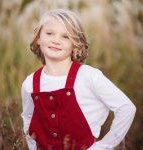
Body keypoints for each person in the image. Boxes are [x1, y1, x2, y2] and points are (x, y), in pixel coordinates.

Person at [21, 9, 136, 150]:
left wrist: (105, 146)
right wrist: (33, 146)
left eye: (65, 36)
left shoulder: (89, 76)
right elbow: (28, 117)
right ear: (38, 38)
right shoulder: (30, 83)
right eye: (49, 33)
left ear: (75, 44)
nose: (56, 40)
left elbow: (126, 108)